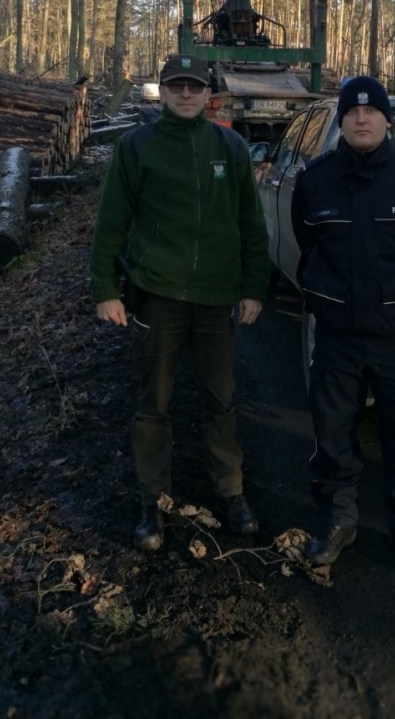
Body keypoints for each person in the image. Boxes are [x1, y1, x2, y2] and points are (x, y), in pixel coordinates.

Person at [90, 53, 270, 553]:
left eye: (194, 87)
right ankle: (153, 501)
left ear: (208, 94)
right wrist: (105, 289)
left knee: (221, 400)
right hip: (157, 296)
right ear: (163, 92)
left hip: (216, 300)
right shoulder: (137, 147)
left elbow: (252, 225)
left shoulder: (229, 147)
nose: (186, 95)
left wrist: (254, 287)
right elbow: (110, 223)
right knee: (154, 403)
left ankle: (231, 492)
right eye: (176, 87)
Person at [291, 76, 395, 580]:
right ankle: (340, 521)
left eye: (372, 111)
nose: (362, 119)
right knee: (332, 435)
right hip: (338, 339)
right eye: (352, 112)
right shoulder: (315, 180)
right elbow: (307, 241)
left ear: (387, 119)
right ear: (341, 120)